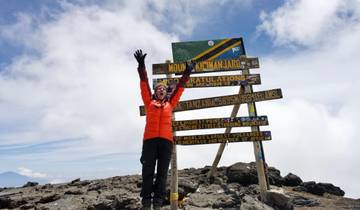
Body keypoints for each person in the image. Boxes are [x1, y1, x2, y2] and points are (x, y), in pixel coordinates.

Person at [134, 49, 194, 210]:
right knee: (147, 173)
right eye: (158, 88)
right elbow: (144, 84)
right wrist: (141, 66)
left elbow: (180, 87)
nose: (161, 90)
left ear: (166, 92)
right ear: (155, 92)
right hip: (150, 141)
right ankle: (146, 202)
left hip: (166, 143)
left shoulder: (170, 103)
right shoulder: (149, 102)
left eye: (163, 88)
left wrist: (187, 72)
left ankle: (158, 205)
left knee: (161, 175)